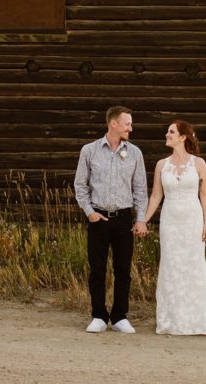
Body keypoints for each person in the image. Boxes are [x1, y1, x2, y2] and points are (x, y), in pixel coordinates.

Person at [74, 105, 148, 334]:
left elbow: (140, 189)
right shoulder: (90, 150)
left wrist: (141, 219)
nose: (130, 128)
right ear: (113, 124)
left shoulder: (135, 153)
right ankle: (98, 315)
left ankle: (119, 317)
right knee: (97, 268)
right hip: (99, 218)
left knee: (123, 269)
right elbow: (80, 184)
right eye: (127, 124)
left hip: (124, 218)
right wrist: (89, 212)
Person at [144, 120, 206, 335]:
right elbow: (156, 195)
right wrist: (144, 220)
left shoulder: (199, 163)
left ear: (183, 137)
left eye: (171, 132)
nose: (166, 134)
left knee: (193, 265)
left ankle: (195, 320)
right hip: (170, 221)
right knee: (171, 265)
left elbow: (204, 194)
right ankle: (170, 320)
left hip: (192, 220)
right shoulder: (162, 164)